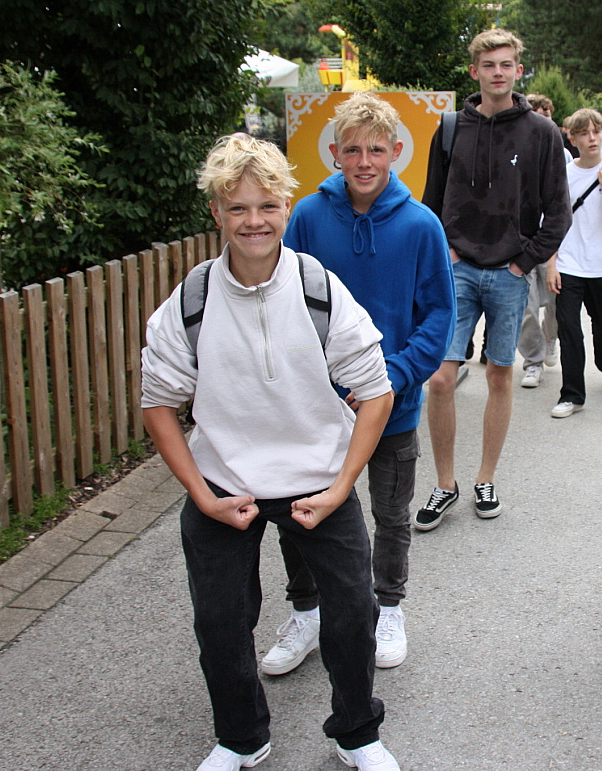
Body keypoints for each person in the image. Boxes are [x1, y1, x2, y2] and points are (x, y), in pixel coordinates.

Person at [141, 134, 401, 771]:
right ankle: (240, 738)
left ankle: (356, 733)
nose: (253, 221)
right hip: (224, 482)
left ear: (287, 206)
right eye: (237, 208)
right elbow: (158, 403)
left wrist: (340, 486)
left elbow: (376, 393)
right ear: (216, 213)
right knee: (222, 622)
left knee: (352, 612)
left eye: (266, 206)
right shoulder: (192, 300)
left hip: (317, 477)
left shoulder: (318, 289)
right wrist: (201, 495)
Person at [263, 93, 454, 677]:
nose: (364, 161)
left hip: (393, 406)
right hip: (317, 406)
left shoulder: (422, 225)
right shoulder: (307, 218)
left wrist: (393, 376)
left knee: (391, 515)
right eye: (352, 150)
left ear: (396, 152)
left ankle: (387, 607)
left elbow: (438, 316)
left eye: (375, 150)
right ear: (335, 154)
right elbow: (284, 301)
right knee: (301, 511)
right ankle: (307, 610)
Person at [416, 28, 571, 531]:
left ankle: (485, 478)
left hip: (509, 274)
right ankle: (445, 484)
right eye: (489, 65)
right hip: (458, 271)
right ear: (474, 71)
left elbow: (559, 212)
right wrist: (446, 251)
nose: (498, 72)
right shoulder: (450, 128)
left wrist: (524, 262)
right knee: (441, 378)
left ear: (518, 70)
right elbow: (430, 202)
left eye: (506, 64)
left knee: (500, 375)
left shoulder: (542, 133)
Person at [547, 108, 602, 418]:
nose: (592, 138)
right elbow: (552, 224)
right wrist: (551, 264)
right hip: (568, 264)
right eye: (584, 133)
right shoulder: (561, 175)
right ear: (572, 139)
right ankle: (572, 395)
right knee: (569, 329)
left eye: (596, 132)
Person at [517, 92, 563, 388]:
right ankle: (532, 361)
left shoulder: (562, 153)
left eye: (545, 114)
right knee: (527, 307)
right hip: (521, 242)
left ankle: (551, 338)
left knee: (556, 304)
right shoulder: (516, 148)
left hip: (553, 243)